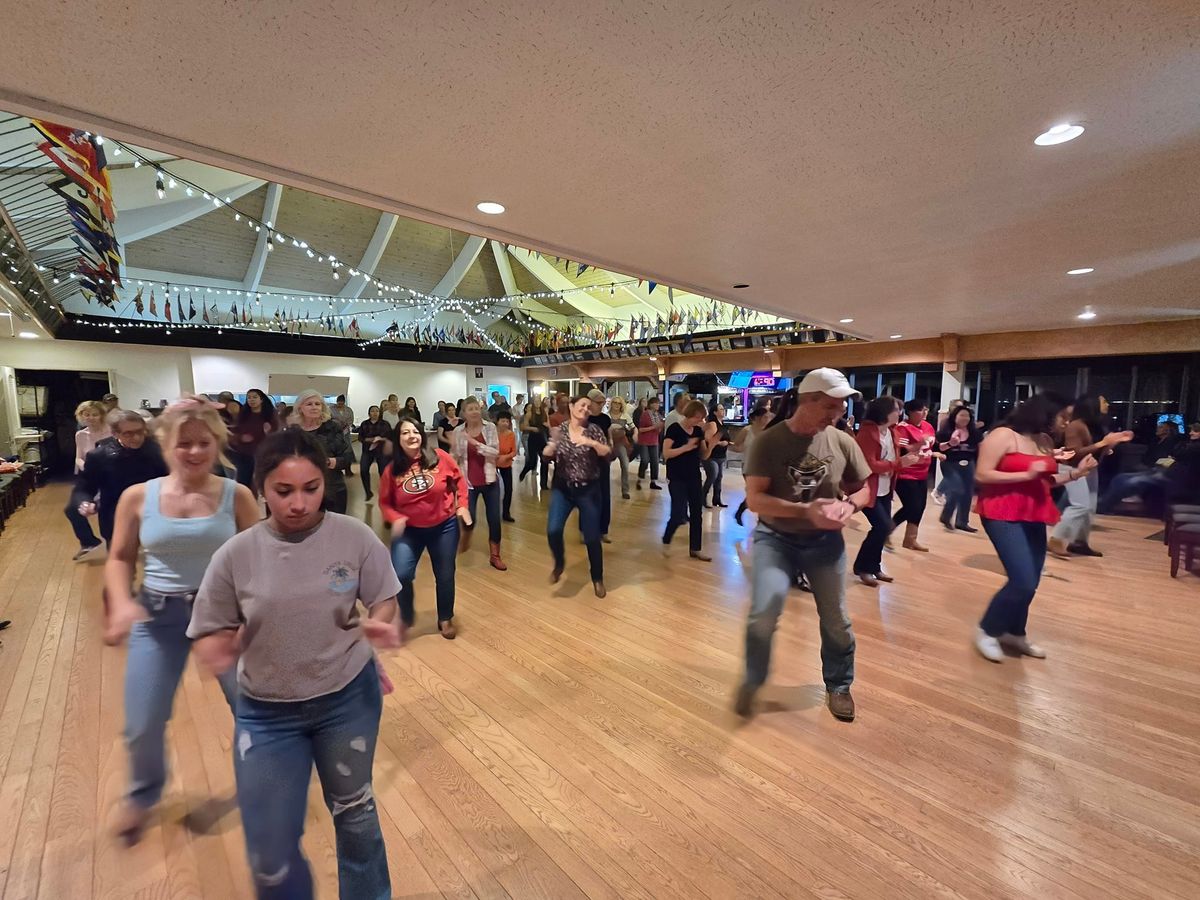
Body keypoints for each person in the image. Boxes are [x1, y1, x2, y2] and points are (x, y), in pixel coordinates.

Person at [188, 429, 402, 899]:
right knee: (270, 842)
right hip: (267, 711)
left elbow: (384, 598)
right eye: (284, 491)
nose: (299, 503)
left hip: (347, 698)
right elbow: (211, 626)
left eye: (311, 488)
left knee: (356, 818)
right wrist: (218, 645)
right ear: (262, 487)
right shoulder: (236, 554)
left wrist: (382, 623)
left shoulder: (353, 536)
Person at [104, 396, 259, 842]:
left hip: (222, 616)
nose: (194, 452)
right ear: (166, 444)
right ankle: (142, 794)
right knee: (142, 721)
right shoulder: (138, 497)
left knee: (253, 710)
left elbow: (260, 562)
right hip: (158, 617)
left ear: (217, 443)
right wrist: (121, 603)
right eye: (184, 443)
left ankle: (260, 784)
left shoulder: (238, 495)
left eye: (203, 442)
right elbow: (119, 558)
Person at [734, 369, 872, 722]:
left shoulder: (841, 441)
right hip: (775, 539)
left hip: (825, 542)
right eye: (830, 406)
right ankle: (753, 679)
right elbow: (756, 500)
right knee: (764, 614)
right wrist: (805, 511)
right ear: (806, 401)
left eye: (840, 408)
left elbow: (865, 489)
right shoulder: (769, 442)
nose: (837, 414)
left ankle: (839, 685)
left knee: (836, 619)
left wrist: (850, 505)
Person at [974, 393, 1098, 662]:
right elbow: (982, 474)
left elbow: (1044, 481)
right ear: (1044, 412)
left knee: (1032, 581)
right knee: (1022, 579)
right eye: (1062, 417)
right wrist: (1025, 474)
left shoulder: (1044, 441)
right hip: (1002, 510)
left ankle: (1015, 632)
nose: (1065, 423)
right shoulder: (1003, 435)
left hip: (1034, 510)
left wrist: (1076, 474)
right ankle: (988, 629)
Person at [379, 414, 471, 639]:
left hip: (444, 527)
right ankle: (407, 615)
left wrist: (463, 506)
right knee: (400, 574)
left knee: (445, 573)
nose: (412, 436)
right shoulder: (392, 470)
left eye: (415, 431)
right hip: (410, 530)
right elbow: (384, 502)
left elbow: (459, 480)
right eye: (405, 432)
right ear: (398, 439)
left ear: (421, 434)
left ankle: (445, 618)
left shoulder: (439, 457)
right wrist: (395, 517)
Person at [1048, 395, 1133, 558]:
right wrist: (1102, 444)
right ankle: (1057, 538)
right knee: (1081, 506)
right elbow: (1072, 454)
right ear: (1091, 404)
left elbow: (1093, 448)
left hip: (1089, 468)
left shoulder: (1094, 425)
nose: (1107, 403)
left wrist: (1111, 443)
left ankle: (1079, 543)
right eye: (1103, 400)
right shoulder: (1075, 425)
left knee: (1089, 508)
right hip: (1071, 468)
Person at [544, 396, 612, 597]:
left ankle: (597, 578)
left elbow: (608, 454)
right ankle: (559, 563)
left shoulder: (594, 430)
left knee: (592, 537)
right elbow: (546, 456)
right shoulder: (560, 430)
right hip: (563, 489)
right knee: (553, 530)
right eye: (582, 404)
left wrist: (589, 442)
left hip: (588, 490)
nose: (585, 408)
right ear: (571, 406)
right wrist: (551, 446)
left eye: (588, 407)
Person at [854, 396, 921, 586]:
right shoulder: (867, 433)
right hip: (868, 489)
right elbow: (870, 464)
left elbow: (893, 456)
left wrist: (909, 453)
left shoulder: (891, 432)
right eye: (896, 409)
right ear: (884, 412)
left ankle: (874, 567)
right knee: (882, 527)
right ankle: (863, 567)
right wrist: (900, 463)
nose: (899, 412)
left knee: (882, 529)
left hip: (884, 488)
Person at [76, 409, 169, 546]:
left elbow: (168, 479)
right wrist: (86, 502)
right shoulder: (99, 456)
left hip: (153, 511)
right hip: (115, 512)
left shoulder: (157, 451)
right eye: (128, 434)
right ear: (115, 434)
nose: (136, 438)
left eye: (139, 432)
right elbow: (85, 487)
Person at [451, 397, 507, 570]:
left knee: (494, 520)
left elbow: (495, 452)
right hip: (468, 482)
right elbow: (456, 455)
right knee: (470, 518)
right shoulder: (459, 430)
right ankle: (465, 538)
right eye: (470, 409)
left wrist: (475, 442)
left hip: (490, 480)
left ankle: (495, 555)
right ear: (464, 413)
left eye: (476, 408)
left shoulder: (489, 427)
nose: (474, 411)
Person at [662, 399, 713, 561]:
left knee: (697, 513)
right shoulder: (674, 429)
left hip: (693, 476)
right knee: (678, 513)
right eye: (698, 417)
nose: (700, 421)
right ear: (689, 414)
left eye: (702, 418)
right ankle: (666, 538)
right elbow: (666, 453)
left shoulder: (698, 432)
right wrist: (686, 447)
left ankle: (695, 549)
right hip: (676, 476)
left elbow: (703, 455)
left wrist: (710, 444)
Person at [290, 389, 354, 514]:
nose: (314, 407)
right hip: (303, 490)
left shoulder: (333, 428)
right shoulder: (293, 432)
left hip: (333, 487)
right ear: (300, 408)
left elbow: (347, 458)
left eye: (317, 404)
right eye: (309, 404)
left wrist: (329, 462)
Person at [1099, 422, 1186, 514]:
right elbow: (1148, 456)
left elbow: (1173, 457)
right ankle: (1106, 502)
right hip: (1154, 468)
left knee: (1132, 481)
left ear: (1167, 430)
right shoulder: (1155, 441)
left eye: (1161, 427)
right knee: (1120, 477)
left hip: (1167, 473)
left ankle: (1104, 506)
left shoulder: (1174, 442)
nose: (1157, 429)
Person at [891, 399, 940, 552]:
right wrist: (919, 444)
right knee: (911, 507)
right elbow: (905, 451)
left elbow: (932, 446)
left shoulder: (928, 426)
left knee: (920, 508)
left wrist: (945, 447)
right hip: (906, 475)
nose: (925, 413)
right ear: (910, 412)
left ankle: (910, 540)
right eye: (921, 410)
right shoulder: (903, 428)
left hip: (922, 473)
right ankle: (885, 531)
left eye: (926, 409)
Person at [67, 400, 109, 559]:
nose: (90, 418)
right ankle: (89, 542)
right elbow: (78, 458)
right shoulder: (81, 434)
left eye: (94, 414)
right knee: (72, 509)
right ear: (81, 416)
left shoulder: (111, 432)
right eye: (87, 414)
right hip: (88, 476)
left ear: (101, 416)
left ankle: (116, 544)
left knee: (106, 509)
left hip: (108, 476)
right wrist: (84, 465)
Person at [936, 405, 984, 532]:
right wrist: (950, 443)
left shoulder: (975, 433)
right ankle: (946, 516)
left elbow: (980, 449)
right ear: (954, 417)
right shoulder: (945, 432)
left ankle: (962, 522)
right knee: (957, 489)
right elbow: (938, 448)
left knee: (968, 492)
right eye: (961, 415)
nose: (965, 418)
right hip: (950, 463)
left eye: (967, 416)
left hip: (969, 463)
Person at [228, 387, 278, 492]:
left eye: (255, 397)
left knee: (261, 483)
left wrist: (268, 432)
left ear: (262, 399)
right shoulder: (243, 415)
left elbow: (277, 435)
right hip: (244, 454)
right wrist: (241, 437)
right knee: (243, 483)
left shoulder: (270, 416)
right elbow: (235, 432)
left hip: (264, 455)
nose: (251, 400)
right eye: (249, 397)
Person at [733, 406, 772, 526]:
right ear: (758, 418)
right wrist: (742, 449)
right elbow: (736, 444)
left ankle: (748, 512)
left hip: (765, 466)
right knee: (757, 491)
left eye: (768, 417)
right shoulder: (747, 430)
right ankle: (745, 511)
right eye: (765, 417)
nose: (767, 419)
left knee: (764, 493)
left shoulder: (769, 431)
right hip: (749, 466)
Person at [586, 389, 614, 542]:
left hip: (602, 460)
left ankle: (603, 529)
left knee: (604, 494)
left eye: (603, 403)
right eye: (599, 402)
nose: (601, 405)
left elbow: (609, 435)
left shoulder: (605, 418)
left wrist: (610, 445)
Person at [357, 405, 391, 501]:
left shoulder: (385, 424)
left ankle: (386, 493)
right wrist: (370, 439)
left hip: (381, 451)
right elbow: (360, 438)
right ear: (369, 413)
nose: (375, 413)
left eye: (377, 411)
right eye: (372, 411)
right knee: (363, 470)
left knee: (383, 472)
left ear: (380, 413)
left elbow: (390, 436)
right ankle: (368, 492)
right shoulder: (364, 424)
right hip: (368, 451)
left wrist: (381, 439)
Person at [702, 404, 733, 508]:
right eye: (721, 409)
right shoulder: (712, 424)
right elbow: (708, 438)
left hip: (721, 455)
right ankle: (702, 497)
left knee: (719, 477)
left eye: (723, 409)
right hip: (711, 455)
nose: (723, 411)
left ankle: (717, 499)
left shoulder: (722, 424)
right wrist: (720, 443)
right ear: (715, 412)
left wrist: (728, 443)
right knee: (712, 476)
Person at [518, 397, 550, 489]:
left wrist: (547, 425)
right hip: (532, 438)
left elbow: (548, 423)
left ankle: (543, 484)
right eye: (535, 401)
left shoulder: (544, 413)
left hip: (542, 438)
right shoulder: (529, 414)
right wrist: (533, 428)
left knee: (544, 461)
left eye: (538, 401)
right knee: (532, 461)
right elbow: (523, 427)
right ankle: (524, 471)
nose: (537, 403)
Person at [607, 395, 634, 500]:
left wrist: (634, 433)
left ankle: (625, 490)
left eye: (619, 403)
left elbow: (633, 427)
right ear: (611, 404)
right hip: (609, 443)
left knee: (625, 465)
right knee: (605, 467)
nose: (617, 405)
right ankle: (604, 488)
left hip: (621, 442)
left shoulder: (625, 416)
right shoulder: (606, 416)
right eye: (615, 402)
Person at [636, 396, 664, 490]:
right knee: (644, 460)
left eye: (658, 403)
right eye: (655, 403)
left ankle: (653, 481)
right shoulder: (645, 414)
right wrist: (654, 427)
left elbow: (658, 429)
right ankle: (640, 478)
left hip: (654, 440)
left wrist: (660, 427)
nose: (657, 405)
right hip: (644, 440)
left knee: (655, 461)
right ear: (651, 404)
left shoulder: (658, 415)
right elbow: (641, 429)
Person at [496, 412, 518, 522]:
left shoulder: (511, 435)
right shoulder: (492, 433)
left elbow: (514, 451)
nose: (505, 423)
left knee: (508, 489)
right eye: (502, 421)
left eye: (507, 421)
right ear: (497, 421)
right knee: (494, 489)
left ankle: (506, 512)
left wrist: (505, 457)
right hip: (493, 463)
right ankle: (494, 511)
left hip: (506, 463)